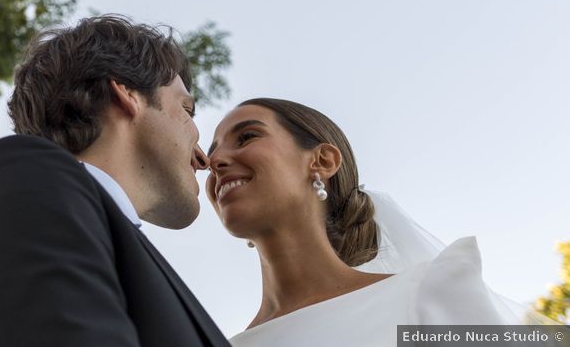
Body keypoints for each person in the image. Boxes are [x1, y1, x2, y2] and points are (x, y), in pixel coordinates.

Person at [0, 15, 231, 347]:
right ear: (127, 94)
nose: (203, 157)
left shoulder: (113, 248)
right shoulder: (21, 182)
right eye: (187, 110)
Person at [205, 98, 540, 347]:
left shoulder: (425, 295)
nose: (215, 161)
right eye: (211, 153)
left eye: (247, 137)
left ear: (322, 161)